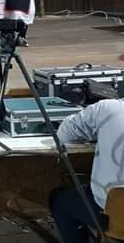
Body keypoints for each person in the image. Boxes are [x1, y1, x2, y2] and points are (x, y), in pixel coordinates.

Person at [49, 98, 124, 243]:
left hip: (114, 216)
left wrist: (100, 131)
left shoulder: (107, 108)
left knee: (59, 200)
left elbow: (64, 135)